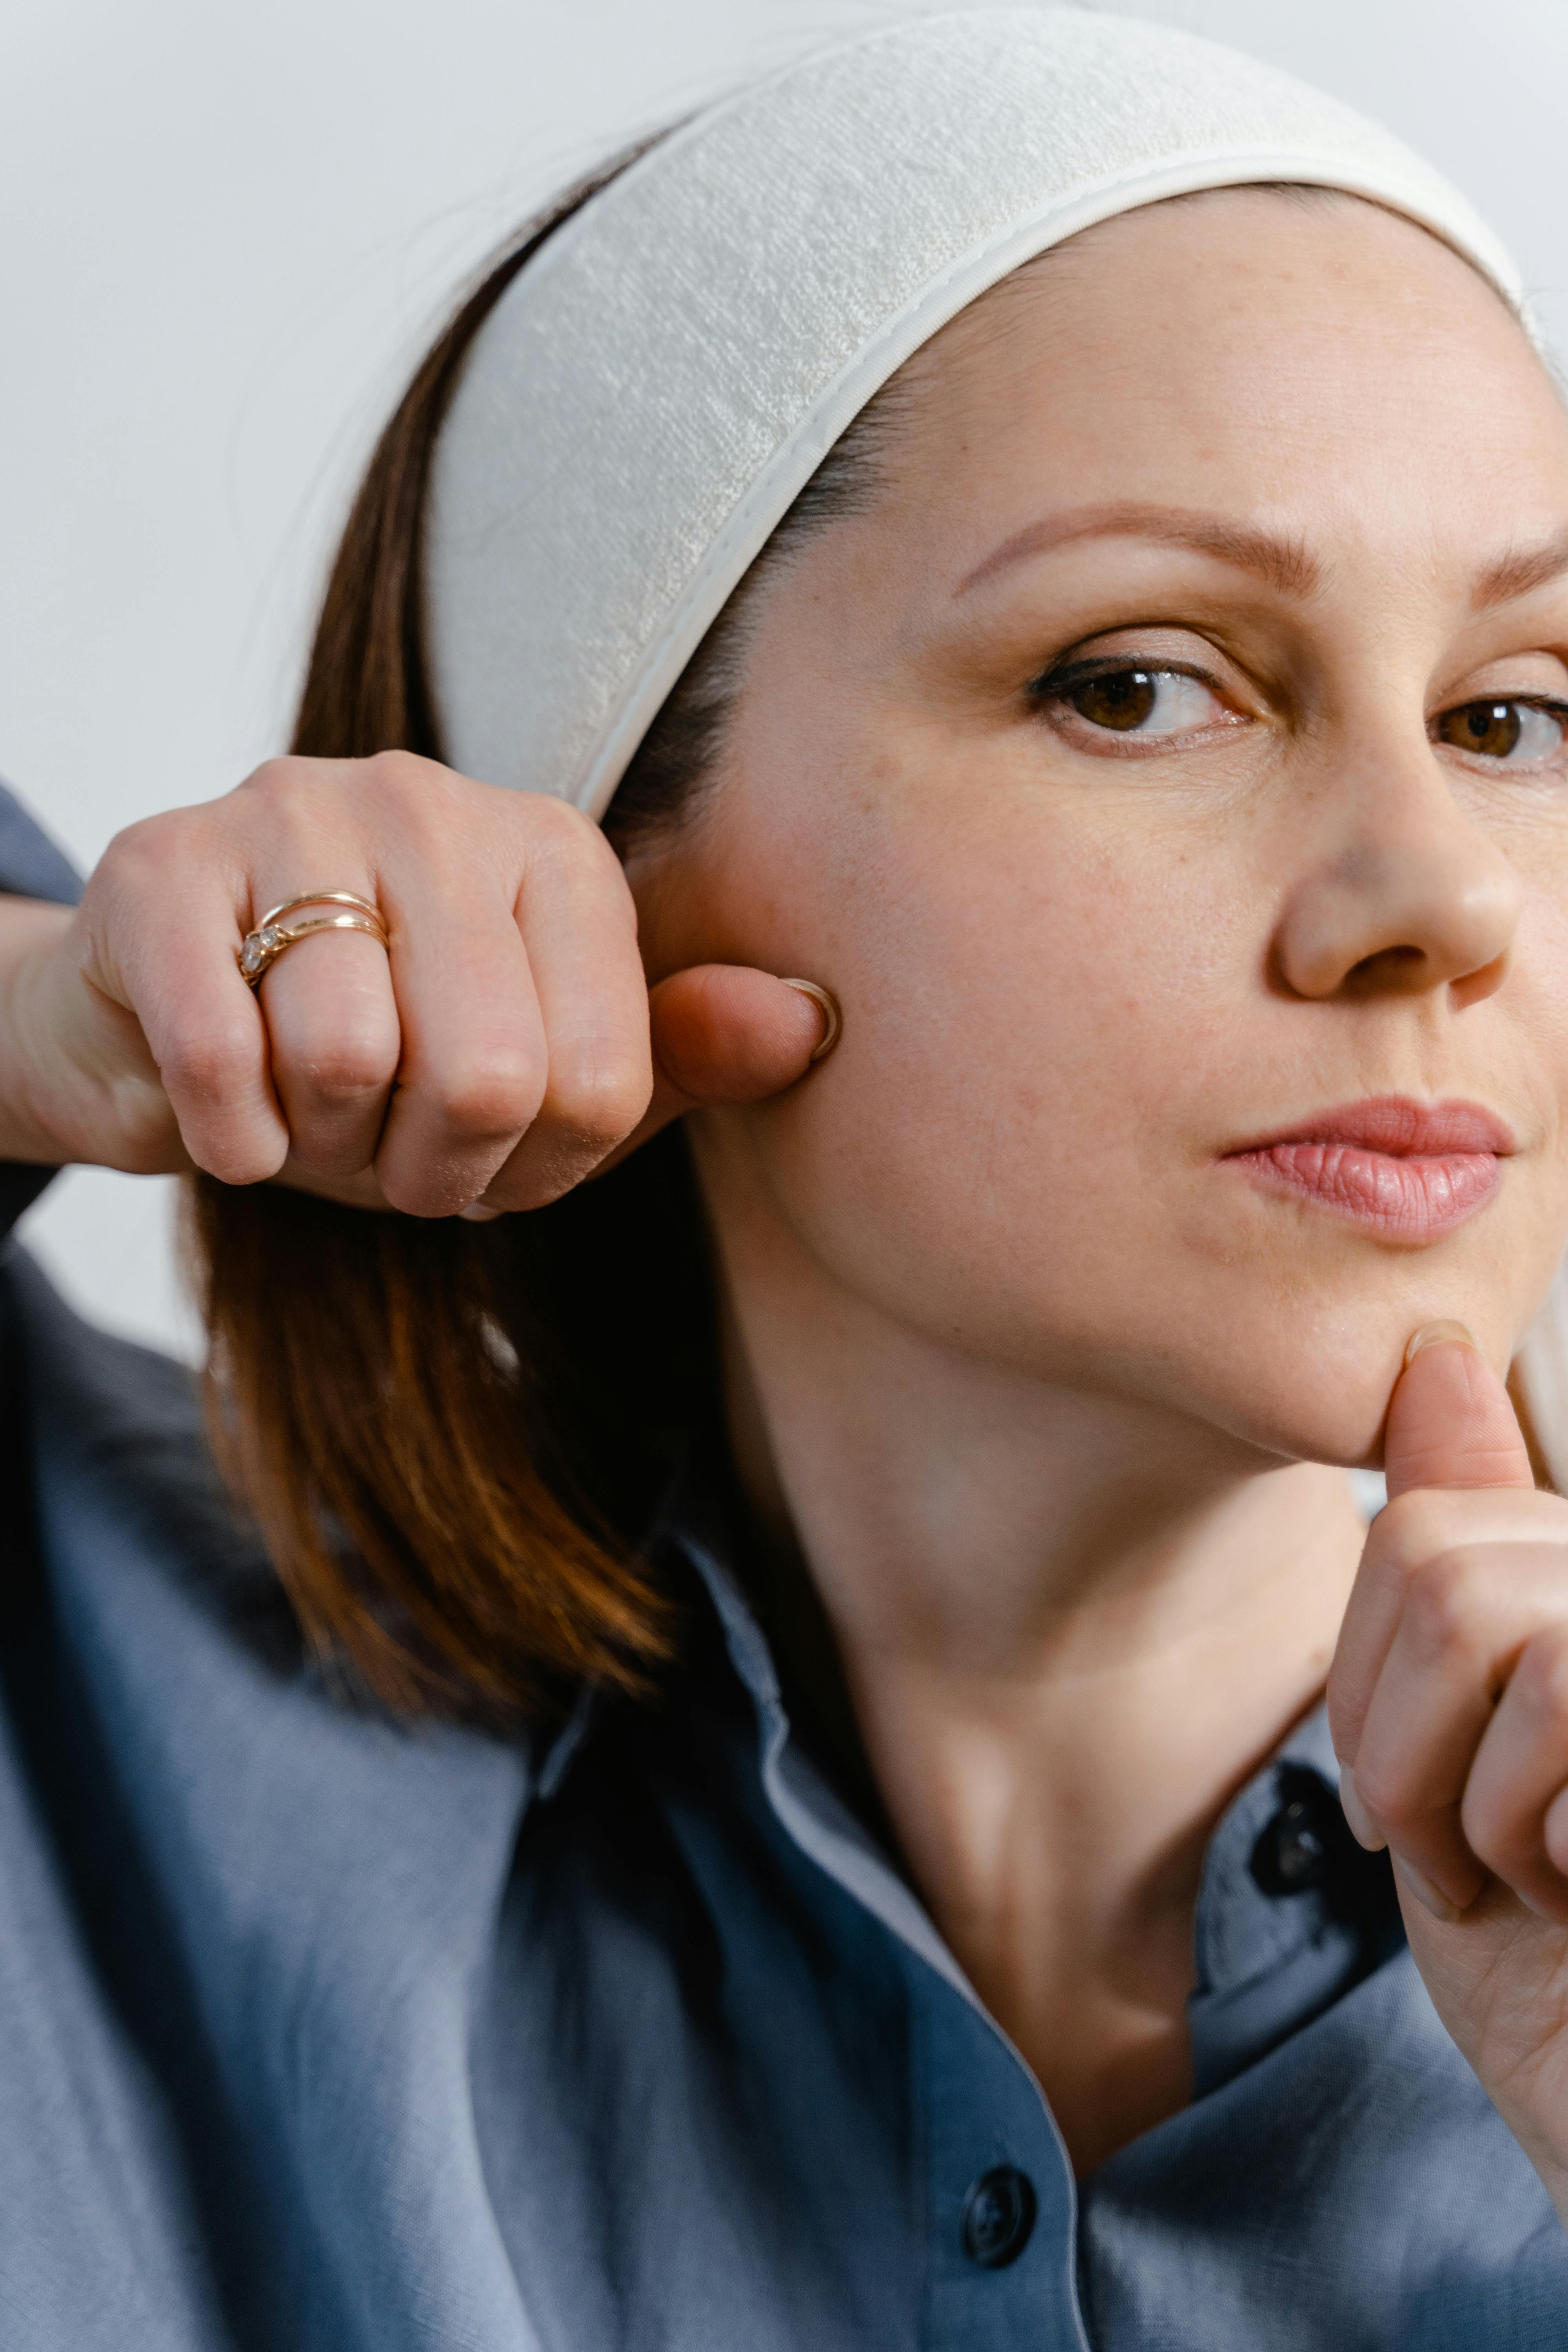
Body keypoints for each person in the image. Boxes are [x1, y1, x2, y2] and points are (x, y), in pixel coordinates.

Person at [4, 9, 1568, 2343]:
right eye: (1140, 683)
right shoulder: (115, 1736)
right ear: (599, 846)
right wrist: (46, 1019)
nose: (1439, 896)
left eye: (1513, 713)